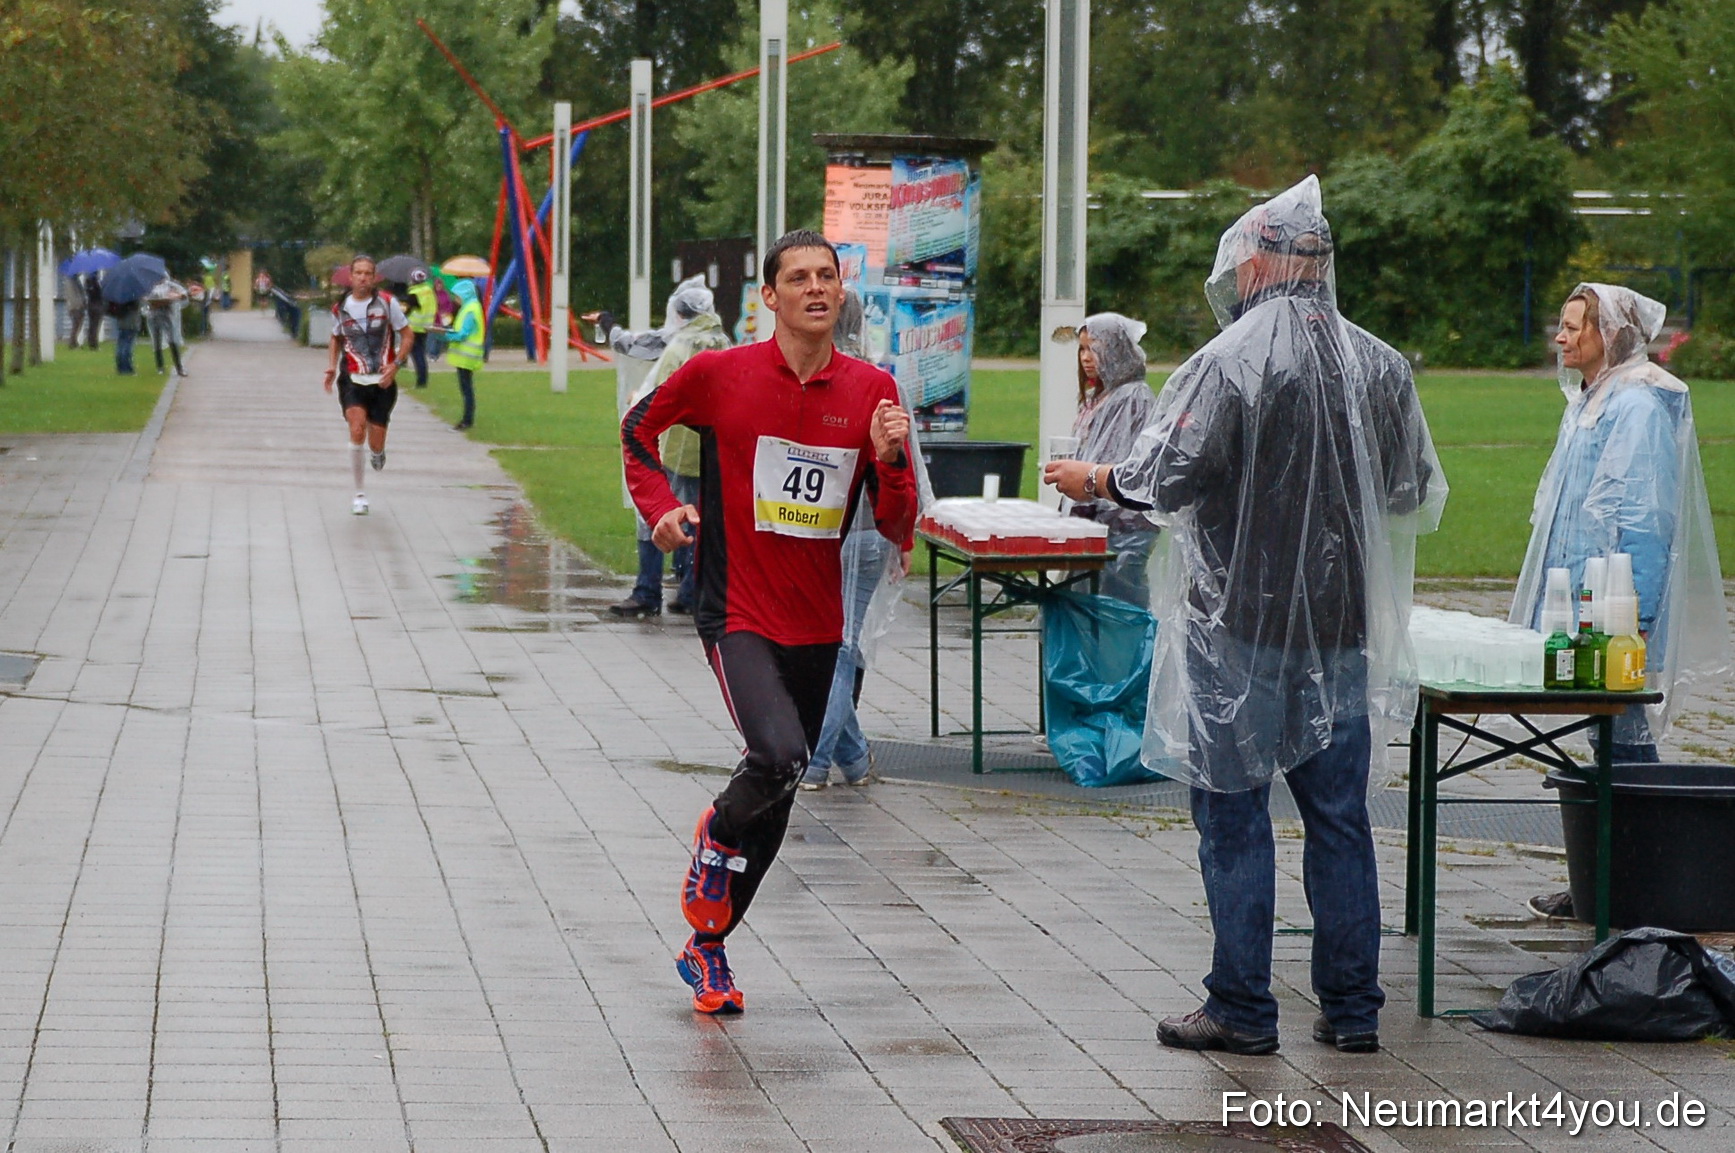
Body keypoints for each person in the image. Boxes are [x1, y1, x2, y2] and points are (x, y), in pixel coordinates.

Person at [1045, 176, 1444, 1056]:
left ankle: (1240, 1004)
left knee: (1232, 812)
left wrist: (1093, 480)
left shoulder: (1225, 361)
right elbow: (1412, 486)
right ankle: (1351, 1009)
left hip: (1239, 628)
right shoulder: (1378, 364)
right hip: (1340, 629)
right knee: (1338, 816)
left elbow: (1164, 477)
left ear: (1259, 259)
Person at [621, 230, 917, 1015]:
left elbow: (895, 522)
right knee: (780, 752)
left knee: (783, 789)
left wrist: (890, 461)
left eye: (828, 276)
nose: (817, 288)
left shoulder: (870, 388)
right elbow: (636, 429)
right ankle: (715, 835)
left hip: (817, 618)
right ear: (771, 296)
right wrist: (660, 509)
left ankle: (708, 947)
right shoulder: (722, 374)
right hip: (735, 604)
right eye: (799, 278)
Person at [1513, 283, 1730, 920]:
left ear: (1609, 334)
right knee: (1612, 737)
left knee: (1623, 739)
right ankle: (1615, 876)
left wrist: (1629, 614)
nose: (1560, 337)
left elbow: (1641, 518)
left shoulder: (1635, 406)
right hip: (1583, 598)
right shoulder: (1595, 398)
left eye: (1574, 326)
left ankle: (1633, 880)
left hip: (1614, 606)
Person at [601, 280, 722, 618]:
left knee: (657, 517)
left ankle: (647, 590)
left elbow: (658, 398)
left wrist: (637, 401)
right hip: (712, 450)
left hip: (676, 448)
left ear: (680, 313)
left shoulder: (679, 347)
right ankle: (689, 590)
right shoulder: (724, 343)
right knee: (700, 519)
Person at [1060, 313, 1161, 605]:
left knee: (1118, 611)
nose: (1086, 358)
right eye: (1082, 349)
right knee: (1090, 609)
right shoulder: (1097, 398)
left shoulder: (1133, 397)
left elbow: (1120, 462)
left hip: (1123, 527)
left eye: (1094, 348)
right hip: (1096, 525)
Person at [322, 254, 411, 516]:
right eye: (358, 273)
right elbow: (336, 337)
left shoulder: (386, 303)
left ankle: (378, 451)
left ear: (374, 278)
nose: (363, 278)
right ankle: (359, 495)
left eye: (368, 273)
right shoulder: (341, 307)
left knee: (375, 439)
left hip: (382, 380)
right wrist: (330, 365)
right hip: (352, 378)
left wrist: (397, 364)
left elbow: (407, 334)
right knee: (357, 428)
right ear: (351, 277)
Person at [445, 277, 484, 430]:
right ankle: (467, 418)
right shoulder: (472, 307)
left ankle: (467, 420)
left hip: (466, 356)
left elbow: (463, 333)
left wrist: (447, 335)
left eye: (457, 296)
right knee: (466, 388)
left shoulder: (470, 309)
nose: (456, 299)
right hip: (466, 356)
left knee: (466, 389)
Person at [144, 277, 190, 377]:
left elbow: (183, 294)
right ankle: (160, 367)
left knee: (172, 340)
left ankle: (179, 368)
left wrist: (176, 296)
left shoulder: (170, 285)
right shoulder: (150, 286)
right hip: (154, 316)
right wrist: (150, 302)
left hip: (167, 316)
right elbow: (145, 300)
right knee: (157, 341)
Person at [405, 269, 438, 388]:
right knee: (421, 353)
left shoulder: (414, 293)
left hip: (413, 326)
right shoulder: (429, 290)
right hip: (425, 326)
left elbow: (408, 309)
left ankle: (421, 381)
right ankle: (423, 379)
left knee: (416, 354)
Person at [109, 295, 142, 376]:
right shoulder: (133, 296)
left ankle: (120, 366)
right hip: (131, 323)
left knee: (121, 345)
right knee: (127, 346)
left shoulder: (119, 296)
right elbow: (136, 307)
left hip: (121, 322)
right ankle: (126, 368)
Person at [82, 274, 104, 349]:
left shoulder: (87, 284)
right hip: (97, 306)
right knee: (96, 325)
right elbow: (100, 294)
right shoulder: (97, 284)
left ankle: (90, 341)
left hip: (90, 305)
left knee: (91, 325)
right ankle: (94, 344)